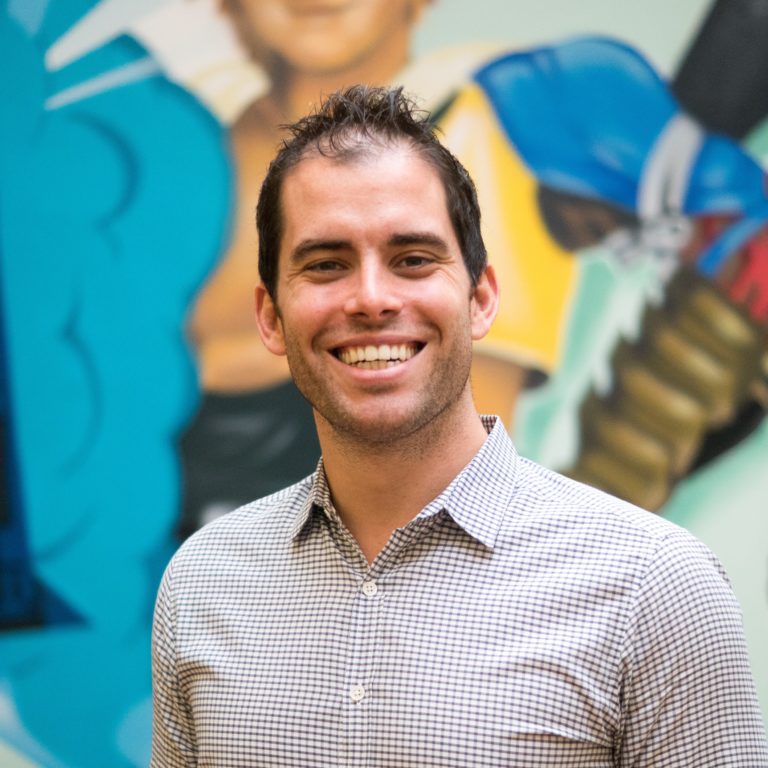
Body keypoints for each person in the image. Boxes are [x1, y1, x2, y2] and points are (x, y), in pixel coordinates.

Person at [151, 86, 768, 766]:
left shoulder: (653, 585)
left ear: (480, 299)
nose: (372, 299)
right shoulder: (202, 581)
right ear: (271, 317)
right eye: (326, 264)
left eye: (413, 259)